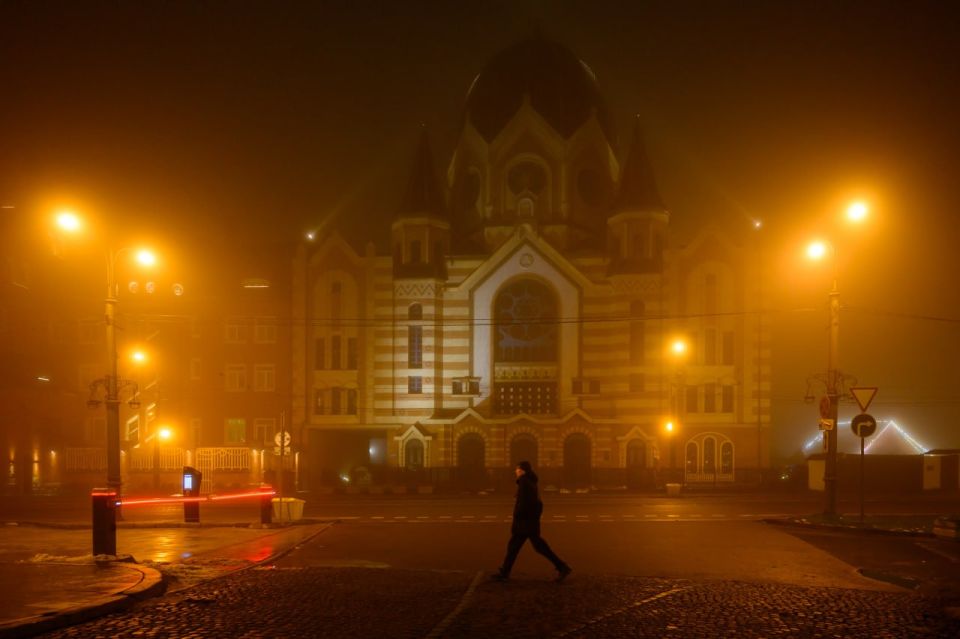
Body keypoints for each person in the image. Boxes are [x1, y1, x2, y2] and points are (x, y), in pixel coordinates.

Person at [492, 460, 571, 583]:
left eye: (517, 469)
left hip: (524, 524)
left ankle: (562, 567)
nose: (515, 471)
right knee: (529, 547)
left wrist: (518, 515)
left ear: (523, 471)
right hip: (529, 523)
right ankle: (505, 572)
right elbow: (536, 503)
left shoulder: (524, 482)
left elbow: (524, 504)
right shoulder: (530, 482)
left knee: (522, 547)